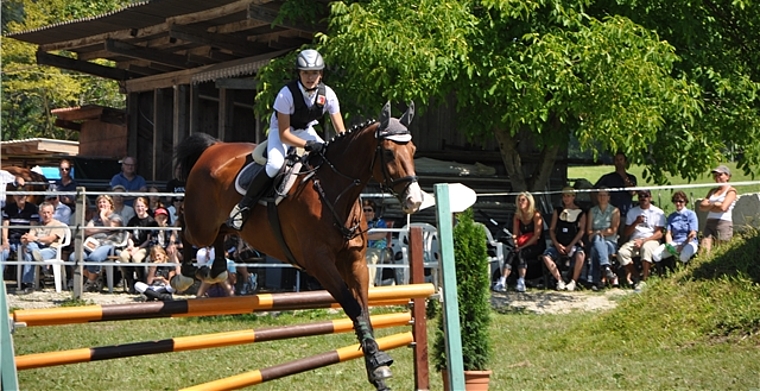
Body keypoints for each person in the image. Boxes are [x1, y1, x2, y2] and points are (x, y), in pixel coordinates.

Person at [228, 49, 346, 230]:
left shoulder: (328, 94)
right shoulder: (286, 94)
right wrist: (307, 145)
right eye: (306, 72)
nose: (310, 77)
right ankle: (244, 206)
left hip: (306, 130)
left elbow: (341, 131)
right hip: (282, 133)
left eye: (314, 72)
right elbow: (285, 134)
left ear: (321, 74)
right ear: (299, 73)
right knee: (275, 164)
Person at [69, 195, 125, 292]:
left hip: (109, 244)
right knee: (74, 257)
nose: (101, 204)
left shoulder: (116, 217)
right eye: (99, 202)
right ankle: (95, 278)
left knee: (94, 258)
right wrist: (103, 229)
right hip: (92, 244)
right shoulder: (95, 218)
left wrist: (103, 216)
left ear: (110, 204)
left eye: (104, 202)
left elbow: (111, 227)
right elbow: (87, 231)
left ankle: (90, 282)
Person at [493, 191, 545, 293]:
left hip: (535, 244)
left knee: (520, 253)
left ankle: (520, 280)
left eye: (523, 200)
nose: (520, 203)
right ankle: (504, 280)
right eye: (519, 200)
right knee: (513, 253)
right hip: (522, 243)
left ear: (529, 202)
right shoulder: (517, 216)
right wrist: (516, 244)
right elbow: (515, 234)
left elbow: (536, 236)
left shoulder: (536, 215)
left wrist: (521, 247)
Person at [618, 189, 665, 289]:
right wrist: (636, 222)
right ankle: (636, 276)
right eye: (640, 196)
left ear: (650, 198)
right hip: (635, 239)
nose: (643, 198)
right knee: (622, 253)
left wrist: (643, 241)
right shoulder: (632, 212)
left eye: (646, 196)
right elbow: (626, 232)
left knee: (646, 248)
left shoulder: (658, 212)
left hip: (651, 240)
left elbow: (660, 233)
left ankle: (645, 278)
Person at [541, 187, 586, 291]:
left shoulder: (581, 212)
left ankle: (573, 281)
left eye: (569, 196)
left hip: (573, 244)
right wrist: (557, 244)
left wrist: (571, 245)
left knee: (581, 254)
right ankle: (559, 280)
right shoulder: (558, 211)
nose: (566, 198)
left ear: (573, 197)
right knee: (546, 255)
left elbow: (581, 231)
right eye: (564, 196)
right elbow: (552, 229)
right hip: (559, 244)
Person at [2, 183, 39, 292]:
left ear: (26, 196)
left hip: (25, 238)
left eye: (22, 195)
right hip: (12, 239)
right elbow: (5, 226)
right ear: (14, 196)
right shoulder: (9, 208)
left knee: (28, 252)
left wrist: (28, 237)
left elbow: (33, 227)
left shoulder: (32, 208)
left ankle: (26, 283)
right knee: (2, 252)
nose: (20, 197)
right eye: (18, 195)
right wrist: (4, 241)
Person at [20, 202, 68, 286]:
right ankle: (41, 263)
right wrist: (24, 239)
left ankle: (27, 283)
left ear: (53, 213)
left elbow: (50, 239)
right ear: (40, 213)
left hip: (51, 249)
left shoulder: (57, 225)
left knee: (29, 254)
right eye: (44, 212)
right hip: (38, 248)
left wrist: (35, 238)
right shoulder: (37, 225)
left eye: (48, 212)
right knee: (30, 247)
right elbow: (29, 236)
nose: (46, 215)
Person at [118, 197, 157, 292]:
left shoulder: (151, 222)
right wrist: (130, 246)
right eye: (137, 206)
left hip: (145, 247)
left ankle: (140, 281)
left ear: (146, 207)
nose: (140, 208)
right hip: (134, 246)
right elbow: (129, 237)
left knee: (136, 258)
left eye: (142, 206)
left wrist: (137, 248)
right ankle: (130, 282)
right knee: (123, 256)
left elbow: (149, 240)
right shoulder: (133, 220)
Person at [586, 186, 621, 288]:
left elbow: (613, 230)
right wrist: (597, 233)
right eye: (600, 195)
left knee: (595, 249)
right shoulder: (592, 211)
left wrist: (597, 232)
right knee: (597, 241)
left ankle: (594, 280)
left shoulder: (615, 211)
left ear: (609, 197)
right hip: (596, 240)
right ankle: (606, 267)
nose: (602, 197)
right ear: (597, 197)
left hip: (610, 242)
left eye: (604, 195)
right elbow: (588, 230)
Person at [698, 164, 736, 256]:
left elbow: (723, 208)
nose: (717, 177)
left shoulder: (731, 191)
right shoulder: (712, 191)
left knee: (722, 252)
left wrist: (710, 205)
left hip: (723, 223)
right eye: (715, 175)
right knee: (703, 251)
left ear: (727, 176)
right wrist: (715, 204)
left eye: (720, 174)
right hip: (709, 223)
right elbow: (702, 206)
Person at [652, 191, 699, 265]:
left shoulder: (691, 214)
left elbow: (693, 233)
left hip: (689, 242)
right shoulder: (671, 216)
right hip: (675, 242)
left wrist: (683, 245)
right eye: (676, 201)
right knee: (656, 255)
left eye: (680, 201)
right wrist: (669, 245)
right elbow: (668, 233)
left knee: (683, 256)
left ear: (685, 202)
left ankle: (683, 271)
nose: (678, 203)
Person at [594, 151, 637, 225]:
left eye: (621, 160)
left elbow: (632, 192)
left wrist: (624, 176)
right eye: (617, 160)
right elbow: (593, 191)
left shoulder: (631, 178)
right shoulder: (607, 178)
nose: (619, 162)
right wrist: (598, 205)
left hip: (626, 213)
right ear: (614, 162)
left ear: (625, 162)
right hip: (610, 214)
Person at [362, 200, 391, 285]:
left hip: (381, 250)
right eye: (364, 210)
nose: (367, 212)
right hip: (363, 251)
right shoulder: (358, 224)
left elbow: (382, 234)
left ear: (374, 212)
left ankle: (369, 287)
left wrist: (363, 237)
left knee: (370, 256)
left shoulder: (380, 222)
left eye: (369, 210)